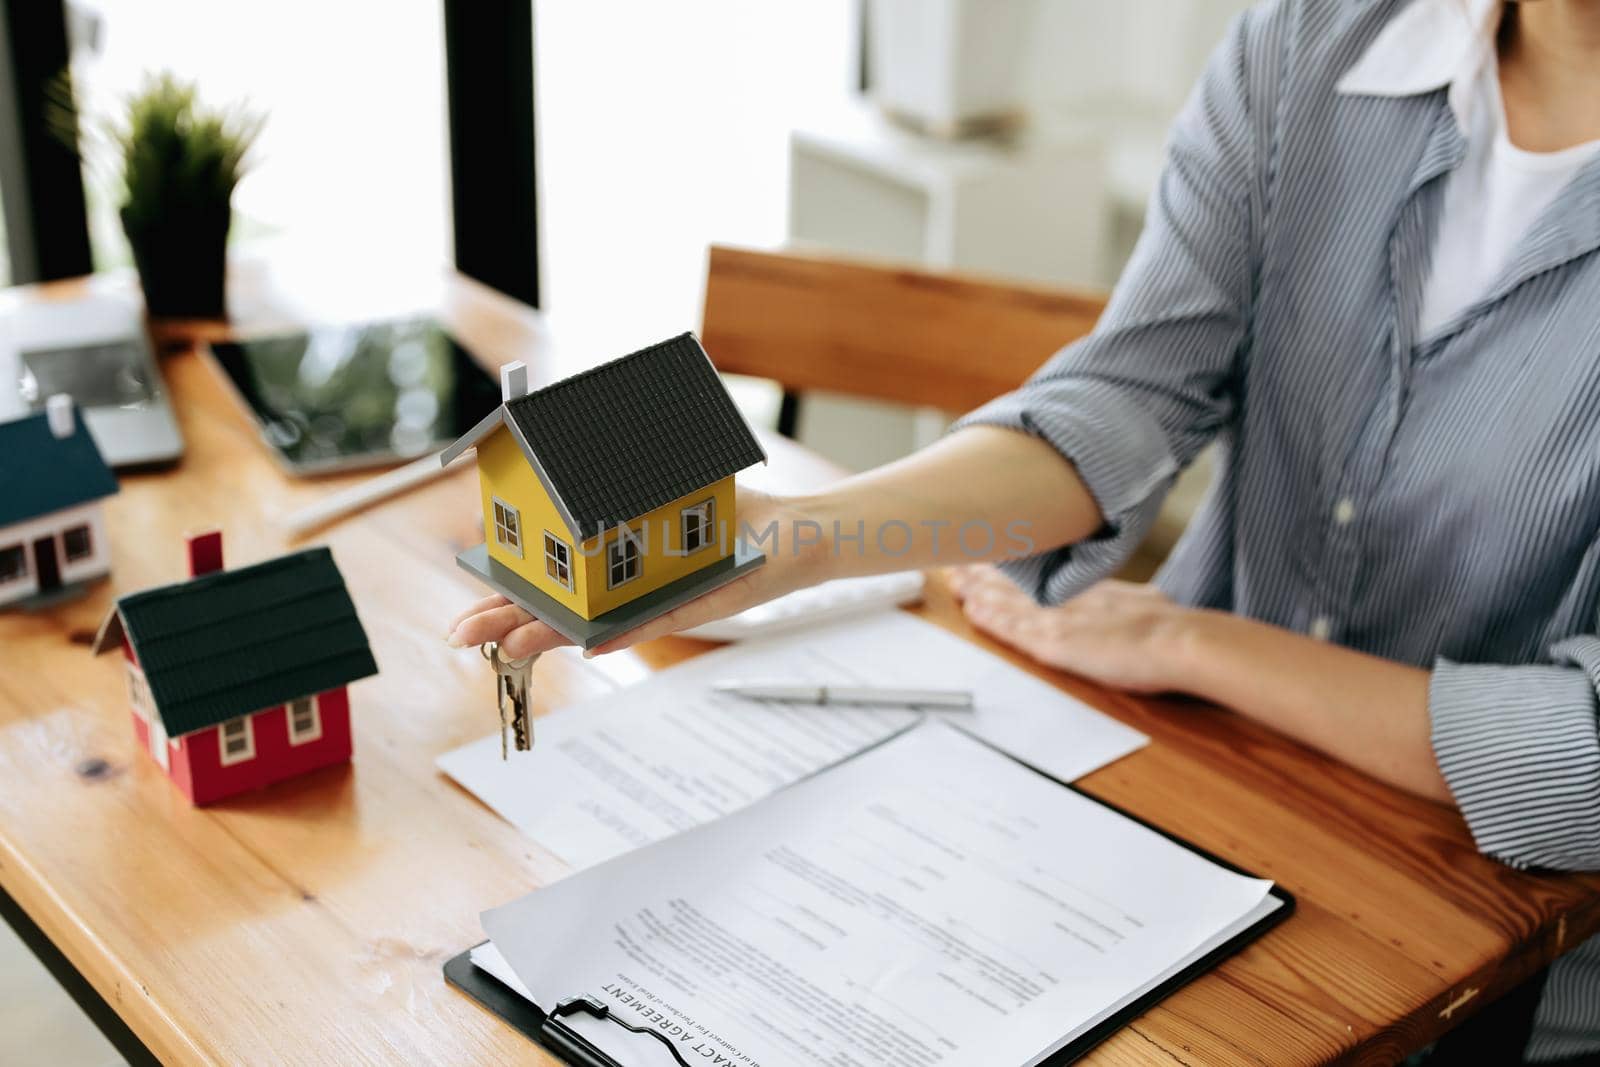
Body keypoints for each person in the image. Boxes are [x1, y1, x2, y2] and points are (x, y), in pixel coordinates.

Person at [448, 0, 1600, 1059]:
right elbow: (1134, 390)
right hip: (1206, 809)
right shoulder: (1313, 41)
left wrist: (1195, 646)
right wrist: (802, 535)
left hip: (1517, 967)